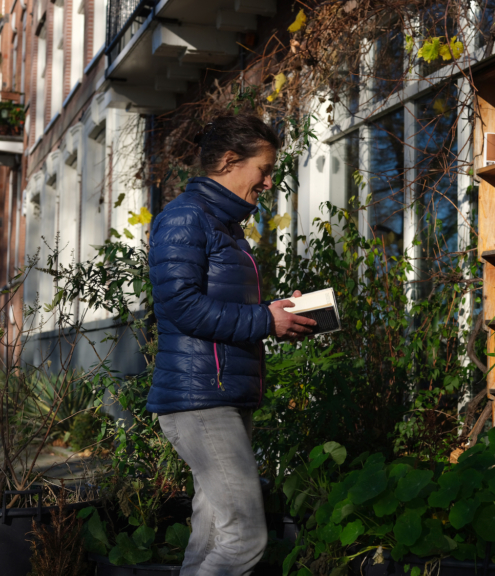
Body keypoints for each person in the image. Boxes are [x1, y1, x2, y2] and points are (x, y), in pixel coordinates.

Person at [148, 114, 316, 576]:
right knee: (243, 536)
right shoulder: (185, 219)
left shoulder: (222, 225)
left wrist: (274, 310)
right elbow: (180, 306)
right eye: (263, 169)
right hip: (201, 400)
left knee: (211, 534)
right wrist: (265, 319)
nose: (267, 181)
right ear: (229, 160)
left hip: (220, 393)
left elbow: (217, 305)